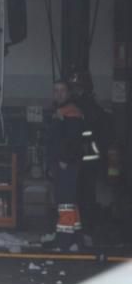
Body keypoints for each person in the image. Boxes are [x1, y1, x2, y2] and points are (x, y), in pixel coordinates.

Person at [45, 81, 86, 251]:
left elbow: (72, 140)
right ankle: (76, 238)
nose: (59, 94)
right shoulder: (61, 112)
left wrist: (63, 159)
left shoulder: (71, 112)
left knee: (65, 202)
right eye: (56, 90)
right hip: (62, 162)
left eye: (62, 90)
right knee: (69, 201)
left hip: (66, 163)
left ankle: (64, 241)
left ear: (68, 93)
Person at [67, 70, 107, 240]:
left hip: (84, 158)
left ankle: (84, 228)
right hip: (84, 158)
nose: (75, 90)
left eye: (77, 87)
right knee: (83, 194)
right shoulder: (90, 105)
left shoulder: (83, 107)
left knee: (82, 194)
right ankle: (83, 228)